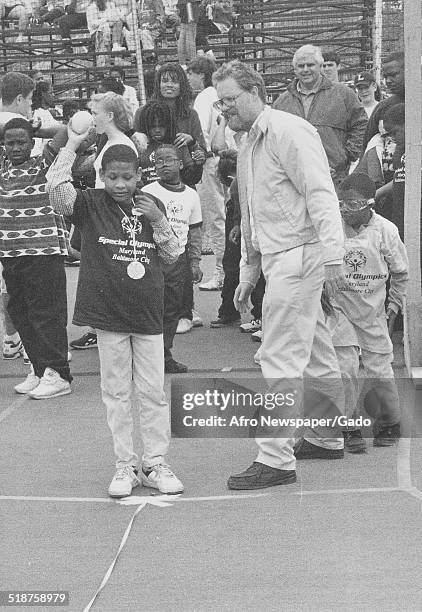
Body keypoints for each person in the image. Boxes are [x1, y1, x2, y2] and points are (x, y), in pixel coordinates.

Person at [212, 60, 346, 490]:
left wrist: (333, 257)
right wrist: (249, 273)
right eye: (220, 102)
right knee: (319, 350)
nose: (224, 109)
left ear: (255, 91)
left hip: (300, 255)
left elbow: (320, 192)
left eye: (230, 100)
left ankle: (275, 458)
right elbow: (252, 214)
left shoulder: (289, 130)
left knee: (279, 357)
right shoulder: (248, 141)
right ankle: (326, 437)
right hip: (282, 256)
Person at [47, 138, 184, 497]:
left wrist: (158, 221)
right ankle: (125, 464)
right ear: (102, 176)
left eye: (126, 177)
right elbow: (56, 191)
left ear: (140, 175)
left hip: (147, 312)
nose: (120, 184)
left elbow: (171, 256)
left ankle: (155, 463)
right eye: (112, 177)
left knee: (153, 391)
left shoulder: (152, 204)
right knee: (116, 391)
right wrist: (73, 145)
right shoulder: (90, 203)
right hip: (108, 314)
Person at [332, 173, 408, 446]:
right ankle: (349, 425)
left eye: (352, 205)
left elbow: (400, 273)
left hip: (373, 310)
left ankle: (389, 422)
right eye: (342, 205)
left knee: (379, 368)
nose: (345, 211)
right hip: (340, 308)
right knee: (345, 366)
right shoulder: (333, 229)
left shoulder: (386, 231)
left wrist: (394, 306)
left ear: (369, 204)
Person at [0, 118, 72, 399]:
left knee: (46, 313)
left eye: (22, 142)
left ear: (32, 144)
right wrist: (11, 129)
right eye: (10, 142)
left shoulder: (44, 164)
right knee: (21, 312)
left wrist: (36, 129)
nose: (16, 147)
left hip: (43, 251)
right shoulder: (2, 168)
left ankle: (59, 373)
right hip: (11, 253)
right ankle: (40, 369)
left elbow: (67, 132)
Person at [142, 143, 203, 373]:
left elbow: (195, 231)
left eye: (168, 159)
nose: (163, 164)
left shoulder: (191, 195)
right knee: (150, 311)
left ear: (180, 163)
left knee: (172, 312)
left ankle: (164, 356)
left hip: (178, 262)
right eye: (158, 161)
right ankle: (144, 359)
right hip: (152, 260)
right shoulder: (147, 191)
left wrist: (195, 262)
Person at [273, 44, 367, 189]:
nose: (305, 70)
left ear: (320, 66)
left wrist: (345, 156)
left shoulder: (343, 94)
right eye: (300, 66)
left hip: (334, 178)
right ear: (295, 69)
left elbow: (361, 125)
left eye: (310, 65)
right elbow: (274, 138)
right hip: (294, 181)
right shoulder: (282, 102)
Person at [187, 55, 227, 292]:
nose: (189, 78)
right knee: (221, 217)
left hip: (209, 161)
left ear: (201, 74)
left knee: (215, 218)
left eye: (191, 73)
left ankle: (221, 272)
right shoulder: (217, 94)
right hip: (221, 159)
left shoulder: (204, 96)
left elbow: (199, 131)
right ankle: (225, 270)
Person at [132, 99, 203, 187]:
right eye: (153, 127)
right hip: (147, 197)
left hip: (175, 196)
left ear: (168, 125)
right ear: (146, 125)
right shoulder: (139, 145)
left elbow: (191, 179)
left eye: (161, 126)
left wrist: (198, 165)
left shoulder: (178, 143)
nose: (157, 130)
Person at [362, 51, 405, 152]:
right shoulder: (383, 107)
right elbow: (367, 147)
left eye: (393, 75)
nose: (388, 81)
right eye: (385, 77)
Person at [86, 0, 125, 67]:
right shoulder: (92, 6)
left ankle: (116, 48)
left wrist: (112, 20)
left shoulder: (111, 4)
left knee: (119, 22)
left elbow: (115, 17)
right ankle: (103, 65)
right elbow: (92, 24)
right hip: (97, 32)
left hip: (111, 30)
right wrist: (106, 20)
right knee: (104, 29)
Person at [31, 81, 61, 157]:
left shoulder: (46, 112)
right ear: (43, 94)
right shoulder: (39, 113)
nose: (53, 95)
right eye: (51, 93)